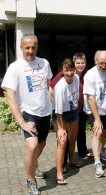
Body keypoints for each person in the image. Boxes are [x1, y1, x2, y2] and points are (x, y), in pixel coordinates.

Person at [1, 34, 52, 195]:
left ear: (37, 47)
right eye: (27, 47)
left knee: (41, 144)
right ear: (21, 48)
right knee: (32, 146)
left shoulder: (44, 63)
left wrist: (54, 105)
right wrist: (22, 122)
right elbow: (9, 95)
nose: (30, 50)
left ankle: (34, 166)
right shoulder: (15, 67)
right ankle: (31, 181)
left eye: (34, 47)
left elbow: (48, 86)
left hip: (44, 112)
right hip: (28, 113)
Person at [83, 50, 106, 177]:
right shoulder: (90, 75)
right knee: (97, 132)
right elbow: (90, 99)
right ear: (95, 61)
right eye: (101, 63)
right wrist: (97, 119)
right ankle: (97, 163)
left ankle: (100, 150)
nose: (103, 66)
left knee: (105, 133)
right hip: (93, 109)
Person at [53, 58, 80, 185]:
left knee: (72, 139)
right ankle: (59, 174)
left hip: (73, 112)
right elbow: (58, 111)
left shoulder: (77, 78)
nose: (69, 73)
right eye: (66, 70)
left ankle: (72, 161)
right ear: (62, 71)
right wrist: (61, 128)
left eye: (71, 70)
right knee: (62, 142)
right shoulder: (60, 87)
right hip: (61, 115)